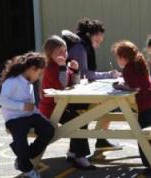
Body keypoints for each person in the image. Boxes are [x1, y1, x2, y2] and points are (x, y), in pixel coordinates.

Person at [61, 18, 122, 152]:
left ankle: (101, 140)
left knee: (107, 104)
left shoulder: (81, 43)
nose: (98, 45)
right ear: (90, 35)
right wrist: (109, 74)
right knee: (107, 103)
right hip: (70, 94)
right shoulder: (80, 47)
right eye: (97, 41)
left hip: (73, 90)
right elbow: (85, 74)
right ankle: (86, 147)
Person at [38, 35, 96, 170]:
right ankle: (79, 156)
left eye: (65, 51)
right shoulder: (50, 68)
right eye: (59, 52)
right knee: (78, 121)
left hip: (62, 106)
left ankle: (73, 152)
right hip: (51, 108)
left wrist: (75, 70)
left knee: (81, 119)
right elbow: (61, 86)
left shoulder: (63, 65)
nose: (63, 54)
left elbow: (73, 83)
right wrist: (63, 68)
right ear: (50, 54)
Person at [111, 40, 151, 176]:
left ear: (123, 57)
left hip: (146, 103)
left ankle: (149, 163)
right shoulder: (139, 61)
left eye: (117, 57)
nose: (117, 60)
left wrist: (120, 86)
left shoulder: (128, 68)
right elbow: (140, 82)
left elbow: (135, 87)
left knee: (143, 134)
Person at [0, 52, 54, 178]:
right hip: (14, 118)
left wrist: (41, 116)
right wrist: (21, 106)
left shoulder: (28, 83)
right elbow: (2, 101)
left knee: (49, 129)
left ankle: (24, 156)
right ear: (32, 69)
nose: (39, 77)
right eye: (39, 73)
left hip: (29, 115)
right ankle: (26, 167)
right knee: (21, 132)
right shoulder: (12, 81)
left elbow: (31, 106)